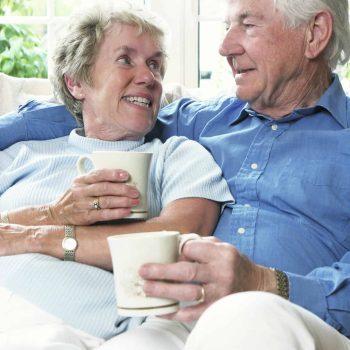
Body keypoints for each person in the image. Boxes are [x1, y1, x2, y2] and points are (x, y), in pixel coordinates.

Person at [1, 0, 350, 349]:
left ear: (314, 33)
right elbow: (106, 113)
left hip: (290, 315)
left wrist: (265, 282)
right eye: (227, 26)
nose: (225, 47)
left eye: (248, 25)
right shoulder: (200, 121)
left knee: (250, 314)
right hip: (178, 321)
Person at [0, 1, 233, 349]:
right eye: (126, 59)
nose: (149, 78)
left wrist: (41, 236)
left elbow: (180, 239)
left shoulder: (178, 156)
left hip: (75, 329)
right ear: (76, 82)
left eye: (155, 65)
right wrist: (53, 214)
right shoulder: (23, 155)